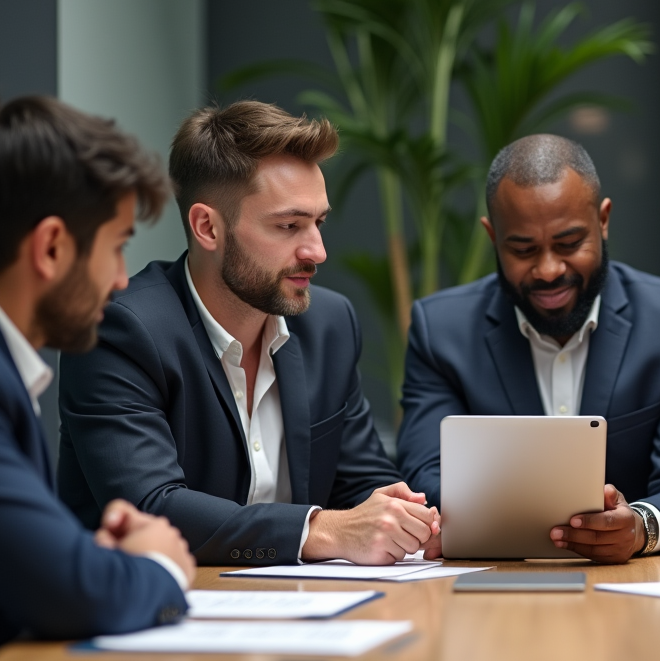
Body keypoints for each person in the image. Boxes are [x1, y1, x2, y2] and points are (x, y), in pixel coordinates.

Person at [57, 101, 439, 566]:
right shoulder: (121, 330)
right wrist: (320, 530)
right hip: (153, 615)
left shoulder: (329, 324)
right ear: (207, 227)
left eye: (318, 222)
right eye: (288, 225)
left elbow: (361, 481)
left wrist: (413, 523)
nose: (317, 251)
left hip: (310, 615)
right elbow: (152, 506)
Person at [0, 96, 196, 661]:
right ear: (50, 248)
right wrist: (159, 564)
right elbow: (69, 596)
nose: (123, 278)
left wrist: (79, 554)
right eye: (118, 244)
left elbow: (3, 562)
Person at [395, 134, 660, 563]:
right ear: (492, 235)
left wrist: (640, 527)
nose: (550, 269)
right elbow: (428, 472)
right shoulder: (440, 331)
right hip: (493, 582)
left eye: (570, 244)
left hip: (633, 585)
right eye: (523, 249)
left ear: (603, 219)